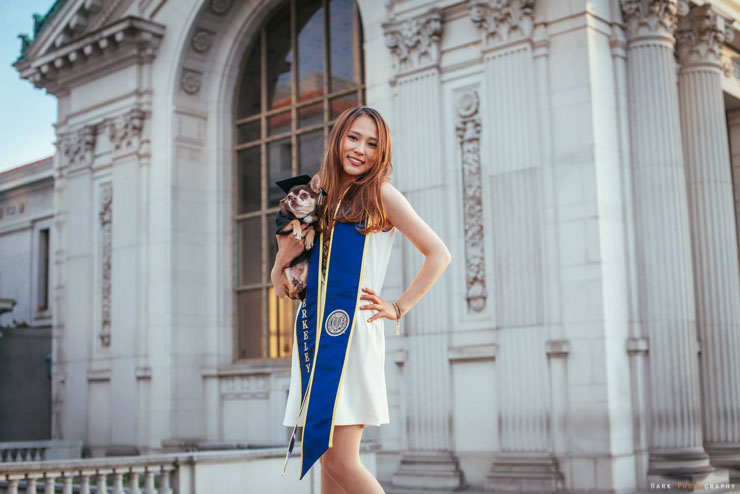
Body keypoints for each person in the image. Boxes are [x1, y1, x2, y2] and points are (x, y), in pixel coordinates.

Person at [271, 106, 451, 494]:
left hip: (350, 337)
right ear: (338, 139)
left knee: (336, 458)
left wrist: (398, 306)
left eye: (372, 143)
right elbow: (282, 288)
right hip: (313, 336)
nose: (360, 150)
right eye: (354, 138)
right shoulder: (318, 194)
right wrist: (283, 259)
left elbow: (438, 254)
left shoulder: (382, 194)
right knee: (325, 459)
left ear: (380, 152)